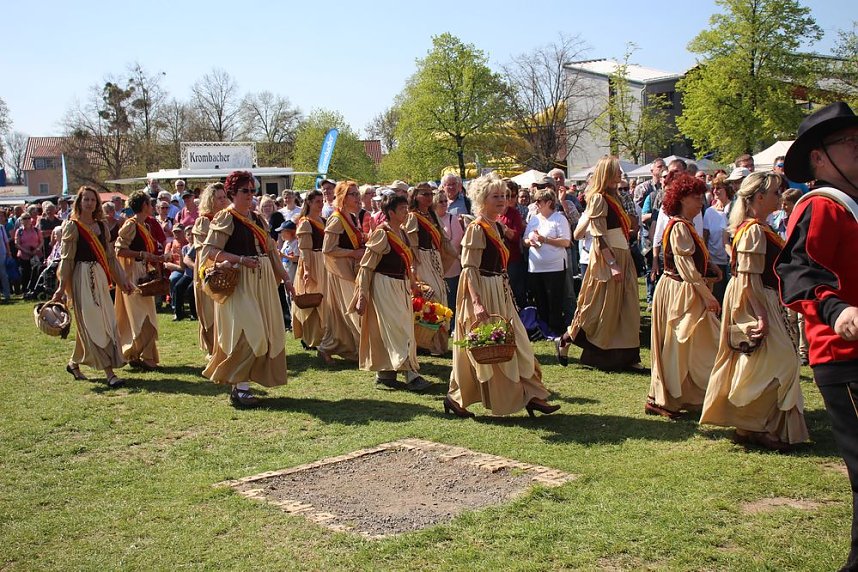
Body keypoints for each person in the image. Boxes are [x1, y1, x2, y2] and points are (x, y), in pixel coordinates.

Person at [775, 101, 858, 571]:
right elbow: (798, 268)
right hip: (845, 353)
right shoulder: (822, 204)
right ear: (820, 158)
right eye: (849, 143)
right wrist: (835, 307)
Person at [700, 172, 808, 450]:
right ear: (759, 197)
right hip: (755, 298)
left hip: (758, 296)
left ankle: (752, 425)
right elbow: (749, 278)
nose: (779, 197)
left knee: (762, 361)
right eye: (774, 193)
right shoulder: (754, 231)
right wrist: (760, 314)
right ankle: (753, 423)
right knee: (778, 360)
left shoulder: (757, 228)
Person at [444, 173, 559, 418]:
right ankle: (456, 398)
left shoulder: (496, 226)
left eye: (504, 196)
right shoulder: (477, 228)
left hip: (499, 290)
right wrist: (476, 303)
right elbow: (469, 268)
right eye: (495, 196)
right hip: (482, 291)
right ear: (482, 199)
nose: (502, 200)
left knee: (519, 344)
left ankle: (533, 394)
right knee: (480, 350)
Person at [200, 170, 294, 407]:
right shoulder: (225, 217)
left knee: (267, 332)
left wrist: (286, 279)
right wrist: (240, 260)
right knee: (250, 334)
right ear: (232, 193)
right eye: (245, 191)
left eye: (253, 191)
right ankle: (238, 387)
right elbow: (209, 251)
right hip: (240, 283)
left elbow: (271, 252)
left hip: (261, 283)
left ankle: (241, 388)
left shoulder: (257, 218)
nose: (250, 195)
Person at [557, 155, 643, 371]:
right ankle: (568, 338)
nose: (621, 174)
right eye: (617, 171)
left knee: (627, 307)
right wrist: (612, 263)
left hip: (622, 254)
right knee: (596, 307)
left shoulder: (617, 198)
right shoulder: (598, 199)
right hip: (608, 258)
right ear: (608, 173)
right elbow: (598, 234)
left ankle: (627, 357)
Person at [647, 173, 721, 418]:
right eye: (696, 196)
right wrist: (707, 296)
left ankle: (687, 396)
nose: (701, 201)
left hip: (685, 290)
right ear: (681, 198)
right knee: (677, 347)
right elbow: (686, 268)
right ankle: (663, 400)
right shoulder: (679, 226)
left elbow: (693, 263)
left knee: (692, 347)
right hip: (679, 292)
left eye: (702, 196)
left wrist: (712, 270)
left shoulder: (685, 225)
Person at [51, 187, 134, 387]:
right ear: (79, 202)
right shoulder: (72, 226)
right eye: (85, 199)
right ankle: (109, 373)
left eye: (92, 200)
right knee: (92, 321)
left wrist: (123, 280)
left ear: (97, 203)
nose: (89, 203)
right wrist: (62, 288)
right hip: (81, 278)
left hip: (99, 277)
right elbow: (67, 260)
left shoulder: (102, 226)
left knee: (103, 321)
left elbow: (111, 258)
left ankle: (74, 362)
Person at [352, 194, 431, 391]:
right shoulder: (382, 234)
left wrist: (414, 285)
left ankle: (385, 374)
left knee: (399, 327)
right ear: (390, 212)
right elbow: (366, 267)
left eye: (406, 207)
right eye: (402, 208)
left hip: (400, 285)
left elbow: (407, 264)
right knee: (397, 328)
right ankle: (411, 375)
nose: (406, 211)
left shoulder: (402, 233)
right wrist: (362, 295)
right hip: (384, 284)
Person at [114, 190, 163, 370]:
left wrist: (157, 259)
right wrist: (141, 254)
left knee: (148, 314)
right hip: (132, 274)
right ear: (144, 206)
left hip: (143, 271)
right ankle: (135, 352)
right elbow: (119, 250)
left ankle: (139, 354)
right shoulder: (131, 225)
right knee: (139, 316)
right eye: (150, 204)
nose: (152, 207)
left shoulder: (146, 226)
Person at [317, 181, 365, 363]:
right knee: (351, 312)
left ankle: (332, 347)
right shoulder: (337, 219)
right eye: (353, 194)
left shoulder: (351, 217)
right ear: (343, 198)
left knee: (344, 314)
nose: (357, 197)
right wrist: (352, 253)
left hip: (350, 270)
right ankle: (357, 348)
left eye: (357, 194)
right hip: (341, 272)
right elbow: (327, 249)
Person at [405, 182, 452, 355]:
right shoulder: (413, 217)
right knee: (431, 296)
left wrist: (457, 255)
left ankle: (439, 344)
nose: (428, 197)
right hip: (422, 260)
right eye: (424, 194)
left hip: (435, 258)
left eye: (430, 194)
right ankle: (426, 342)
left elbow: (444, 239)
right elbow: (411, 243)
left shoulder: (432, 215)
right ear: (415, 196)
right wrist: (414, 266)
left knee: (441, 295)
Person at [523, 187, 571, 337]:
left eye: (539, 201)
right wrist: (529, 241)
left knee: (554, 300)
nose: (536, 203)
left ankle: (556, 329)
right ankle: (543, 329)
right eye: (535, 200)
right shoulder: (534, 219)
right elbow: (524, 239)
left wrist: (545, 240)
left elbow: (566, 242)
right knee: (540, 299)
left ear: (549, 202)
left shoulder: (559, 218)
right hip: (535, 267)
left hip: (554, 266)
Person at [192, 183, 229, 357]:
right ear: (210, 200)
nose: (223, 201)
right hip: (207, 270)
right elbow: (203, 251)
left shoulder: (227, 218)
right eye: (219, 198)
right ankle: (212, 348)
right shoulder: (204, 220)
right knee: (208, 311)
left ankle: (226, 346)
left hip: (225, 268)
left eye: (224, 197)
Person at [292, 190, 328, 350]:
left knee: (324, 301)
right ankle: (311, 338)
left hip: (324, 262)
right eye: (317, 201)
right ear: (309, 203)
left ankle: (324, 335)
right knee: (313, 299)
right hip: (312, 261)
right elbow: (304, 249)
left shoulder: (324, 220)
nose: (320, 204)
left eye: (322, 201)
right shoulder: (306, 222)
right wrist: (307, 270)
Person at [703, 174, 733, 304]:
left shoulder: (734, 210)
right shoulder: (710, 212)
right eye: (714, 188)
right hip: (715, 261)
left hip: (730, 261)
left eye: (719, 188)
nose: (715, 191)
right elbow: (705, 237)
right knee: (717, 298)